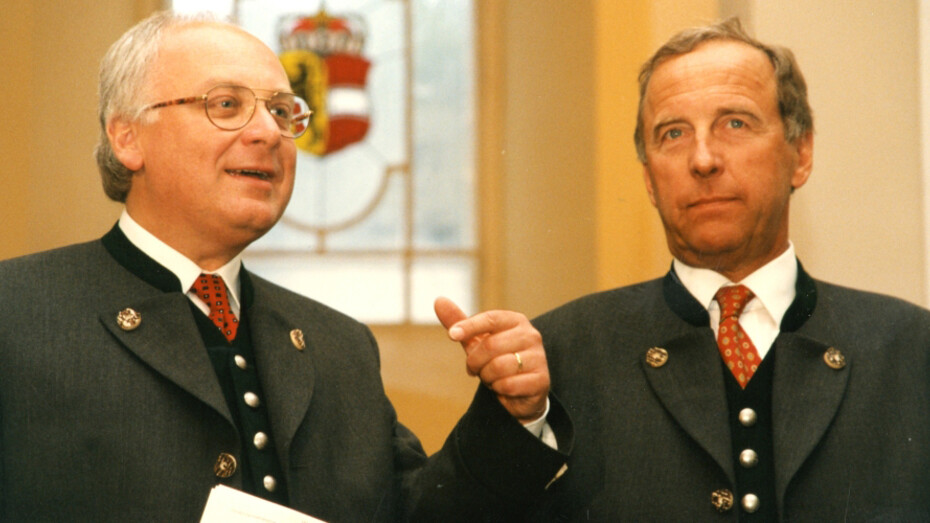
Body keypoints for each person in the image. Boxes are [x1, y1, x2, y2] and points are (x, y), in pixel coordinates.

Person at [0, 11, 570, 522]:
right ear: (127, 136)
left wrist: (515, 415)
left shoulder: (338, 347)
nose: (268, 133)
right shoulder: (18, 313)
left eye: (280, 111)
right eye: (226, 105)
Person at [528, 18, 930, 520]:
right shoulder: (560, 355)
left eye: (735, 123)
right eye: (673, 134)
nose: (703, 159)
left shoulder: (912, 349)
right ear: (650, 179)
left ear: (800, 153)